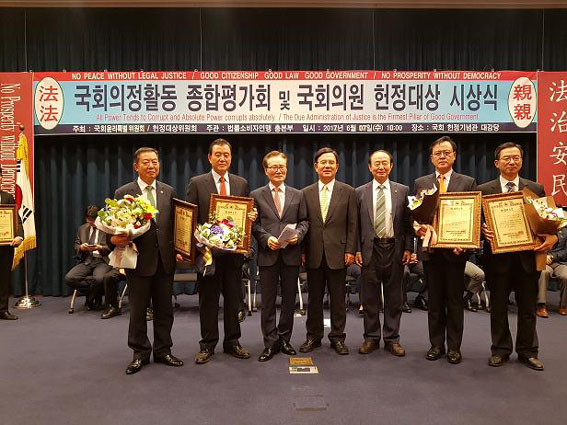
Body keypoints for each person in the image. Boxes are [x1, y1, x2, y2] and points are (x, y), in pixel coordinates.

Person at [480, 142, 557, 371]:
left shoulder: (535, 189)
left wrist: (552, 236)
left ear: (522, 161)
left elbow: (547, 220)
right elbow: (476, 224)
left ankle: (528, 351)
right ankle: (500, 350)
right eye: (507, 158)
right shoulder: (485, 190)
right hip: (497, 260)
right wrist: (483, 231)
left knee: (527, 308)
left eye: (516, 158)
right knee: (498, 308)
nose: (512, 162)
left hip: (527, 259)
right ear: (497, 163)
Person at [112, 147, 183, 374]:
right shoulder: (124, 193)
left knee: (165, 310)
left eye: (155, 161)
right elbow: (114, 226)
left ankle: (163, 350)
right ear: (136, 166)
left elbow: (175, 225)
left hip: (165, 261)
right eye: (146, 162)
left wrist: (182, 248)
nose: (151, 166)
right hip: (138, 261)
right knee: (138, 311)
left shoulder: (168, 191)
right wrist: (115, 239)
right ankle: (140, 353)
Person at [186, 138, 257, 364]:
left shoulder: (241, 183)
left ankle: (232, 342)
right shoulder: (197, 183)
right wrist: (201, 243)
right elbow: (191, 219)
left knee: (234, 301)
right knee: (208, 301)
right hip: (208, 256)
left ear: (231, 157)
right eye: (218, 154)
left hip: (233, 256)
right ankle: (207, 344)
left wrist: (251, 216)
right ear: (210, 157)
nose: (222, 158)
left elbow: (246, 215)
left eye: (226, 154)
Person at [414, 136, 477, 365]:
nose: (442, 156)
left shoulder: (467, 182)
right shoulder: (421, 182)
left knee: (454, 301)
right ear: (431, 158)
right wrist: (418, 228)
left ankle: (454, 348)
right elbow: (415, 214)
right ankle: (436, 345)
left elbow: (474, 216)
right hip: (431, 252)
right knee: (434, 301)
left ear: (454, 156)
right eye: (437, 153)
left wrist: (466, 242)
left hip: (456, 252)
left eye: (446, 153)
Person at [251, 150, 309, 362]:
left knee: (289, 300)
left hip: (291, 255)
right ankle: (270, 342)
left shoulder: (298, 194)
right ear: (266, 170)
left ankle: (284, 339)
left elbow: (304, 221)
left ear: (286, 169)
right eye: (274, 167)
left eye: (282, 167)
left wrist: (298, 235)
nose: (278, 170)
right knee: (267, 302)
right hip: (268, 255)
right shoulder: (256, 195)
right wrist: (266, 238)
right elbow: (254, 224)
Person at [299, 147, 357, 355]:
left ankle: (337, 337)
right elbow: (303, 223)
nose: (327, 166)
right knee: (314, 299)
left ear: (337, 166)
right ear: (316, 166)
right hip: (313, 253)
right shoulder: (305, 193)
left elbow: (353, 224)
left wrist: (351, 249)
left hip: (339, 253)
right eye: (323, 162)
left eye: (331, 162)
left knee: (338, 299)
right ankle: (313, 337)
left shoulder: (348, 191)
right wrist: (302, 251)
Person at [355, 150, 412, 356]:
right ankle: (371, 337)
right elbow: (355, 225)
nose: (381, 167)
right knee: (370, 298)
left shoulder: (402, 191)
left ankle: (392, 339)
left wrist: (408, 248)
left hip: (394, 249)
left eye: (385, 163)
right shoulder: (359, 192)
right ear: (370, 167)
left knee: (394, 297)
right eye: (377, 163)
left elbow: (407, 223)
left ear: (391, 166)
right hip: (370, 249)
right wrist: (356, 249)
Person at [64, 205, 112, 311]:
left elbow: (113, 247)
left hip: (103, 260)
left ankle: (90, 299)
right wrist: (81, 247)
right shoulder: (82, 229)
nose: (91, 222)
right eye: (89, 219)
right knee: (69, 278)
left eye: (93, 220)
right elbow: (76, 245)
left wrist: (100, 247)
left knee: (99, 279)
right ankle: (94, 293)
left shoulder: (108, 228)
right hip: (87, 260)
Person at [0, 166, 23, 320]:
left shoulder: (7, 197)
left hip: (5, 247)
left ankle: (2, 309)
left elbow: (17, 220)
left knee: (4, 279)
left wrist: (19, 236)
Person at [536, 227, 567, 317]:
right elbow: (535, 245)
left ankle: (564, 305)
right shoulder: (540, 228)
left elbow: (566, 251)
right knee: (543, 273)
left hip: (559, 262)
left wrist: (552, 256)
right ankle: (541, 305)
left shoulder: (565, 230)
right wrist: (544, 256)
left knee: (566, 275)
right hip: (543, 260)